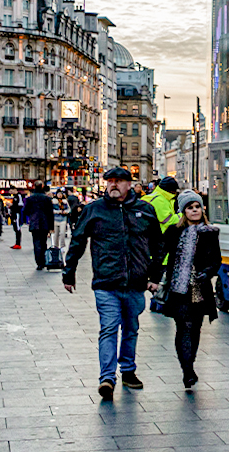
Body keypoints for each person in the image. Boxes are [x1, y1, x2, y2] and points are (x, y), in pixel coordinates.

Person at [63, 166, 166, 400]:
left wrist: (154, 276)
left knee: (131, 328)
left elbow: (159, 245)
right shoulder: (94, 210)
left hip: (136, 282)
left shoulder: (144, 210)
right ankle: (107, 378)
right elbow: (77, 241)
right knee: (109, 328)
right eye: (110, 181)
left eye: (119, 181)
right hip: (106, 282)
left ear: (129, 185)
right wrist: (69, 273)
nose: (113, 185)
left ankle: (128, 370)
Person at [157, 190, 221, 389]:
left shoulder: (210, 233)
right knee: (184, 327)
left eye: (197, 207)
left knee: (195, 329)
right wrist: (152, 278)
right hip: (178, 289)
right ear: (183, 211)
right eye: (190, 207)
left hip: (199, 288)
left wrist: (208, 272)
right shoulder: (173, 232)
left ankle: (189, 363)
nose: (194, 210)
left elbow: (216, 260)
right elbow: (160, 254)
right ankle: (187, 370)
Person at [22, 182, 55, 270]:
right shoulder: (47, 198)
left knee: (36, 242)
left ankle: (39, 262)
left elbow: (25, 211)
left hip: (34, 222)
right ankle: (43, 260)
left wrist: (31, 215)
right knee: (43, 242)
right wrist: (52, 227)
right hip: (45, 222)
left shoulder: (30, 198)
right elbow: (50, 213)